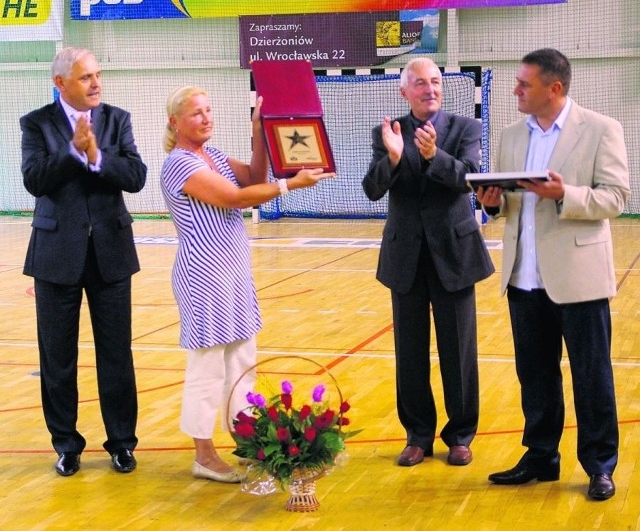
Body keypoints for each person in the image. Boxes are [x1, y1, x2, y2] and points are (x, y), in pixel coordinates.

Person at [475, 48, 630, 500]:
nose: (515, 90)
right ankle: (541, 455)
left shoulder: (601, 129)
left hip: (578, 277)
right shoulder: (508, 135)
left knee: (591, 375)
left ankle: (600, 464)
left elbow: (616, 198)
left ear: (554, 88)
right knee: (536, 376)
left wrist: (566, 194)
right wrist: (491, 201)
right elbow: (508, 203)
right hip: (523, 276)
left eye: (524, 84)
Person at [160, 86, 335, 483]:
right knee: (207, 366)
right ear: (175, 123)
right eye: (196, 113)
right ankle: (203, 454)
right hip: (204, 275)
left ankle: (247, 439)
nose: (206, 118)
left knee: (242, 360)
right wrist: (292, 186)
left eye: (209, 110)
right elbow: (237, 198)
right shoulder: (179, 163)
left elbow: (255, 176)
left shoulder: (215, 156)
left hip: (235, 273)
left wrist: (259, 130)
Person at [362, 58, 495, 468]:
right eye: (420, 83)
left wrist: (435, 155)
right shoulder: (387, 132)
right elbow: (371, 189)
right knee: (410, 353)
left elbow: (470, 179)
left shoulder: (464, 129)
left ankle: (460, 435)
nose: (429, 89)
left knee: (459, 350)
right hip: (405, 258)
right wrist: (396, 158)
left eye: (435, 82)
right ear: (405, 91)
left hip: (454, 255)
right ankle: (417, 435)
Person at [20, 47, 147, 476]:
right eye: (85, 77)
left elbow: (136, 176)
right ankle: (67, 445)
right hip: (56, 256)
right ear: (60, 84)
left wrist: (96, 157)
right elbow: (35, 180)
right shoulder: (36, 123)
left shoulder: (117, 119)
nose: (96, 84)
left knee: (117, 355)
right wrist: (71, 153)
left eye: (98, 75)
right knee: (57, 358)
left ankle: (122, 444)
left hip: (111, 253)